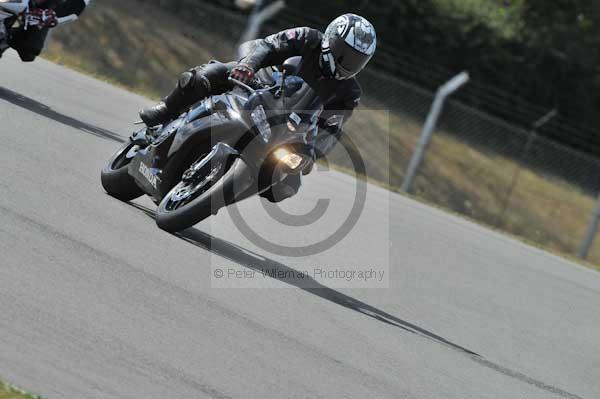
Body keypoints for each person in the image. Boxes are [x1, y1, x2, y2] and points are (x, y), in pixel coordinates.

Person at [140, 13, 377, 202]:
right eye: (345, 53)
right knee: (205, 75)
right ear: (331, 39)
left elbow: (331, 128)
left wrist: (311, 153)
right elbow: (269, 46)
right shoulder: (308, 38)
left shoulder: (350, 93)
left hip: (284, 126)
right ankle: (166, 109)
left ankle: (214, 193)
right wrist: (248, 66)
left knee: (286, 186)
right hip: (256, 83)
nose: (348, 63)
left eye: (357, 59)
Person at [9, 0, 90, 62]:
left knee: (29, 51)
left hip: (40, 9)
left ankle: (7, 37)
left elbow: (76, 7)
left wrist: (52, 16)